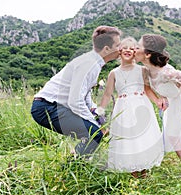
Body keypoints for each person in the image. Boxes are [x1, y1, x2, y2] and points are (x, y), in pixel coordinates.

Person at [31, 25, 122, 156]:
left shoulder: (94, 63)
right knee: (94, 134)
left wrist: (96, 113)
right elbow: (75, 101)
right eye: (118, 45)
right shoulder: (88, 64)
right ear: (107, 49)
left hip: (54, 106)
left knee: (92, 133)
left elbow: (85, 95)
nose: (121, 48)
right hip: (47, 107)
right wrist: (94, 123)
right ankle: (71, 168)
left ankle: (75, 160)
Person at [134, 34, 181, 178]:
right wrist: (160, 98)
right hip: (171, 103)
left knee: (176, 137)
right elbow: (153, 87)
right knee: (174, 138)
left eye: (138, 47)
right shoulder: (147, 70)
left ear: (148, 54)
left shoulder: (166, 72)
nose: (134, 49)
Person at [98, 37, 165, 178]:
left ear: (135, 52)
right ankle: (133, 173)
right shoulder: (113, 73)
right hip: (123, 109)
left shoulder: (142, 70)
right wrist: (100, 112)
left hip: (141, 106)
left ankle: (144, 170)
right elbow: (107, 95)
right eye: (125, 47)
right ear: (119, 51)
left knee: (142, 137)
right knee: (127, 139)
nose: (128, 50)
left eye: (132, 48)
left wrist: (158, 101)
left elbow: (147, 90)